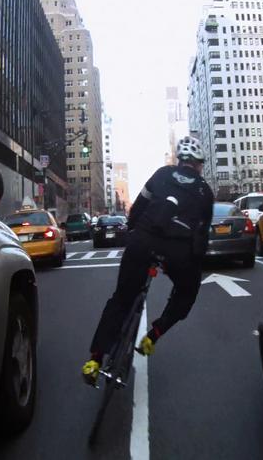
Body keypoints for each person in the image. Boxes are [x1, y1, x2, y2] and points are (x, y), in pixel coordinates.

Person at [82, 136, 214, 385]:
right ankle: (154, 335)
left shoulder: (161, 174)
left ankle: (95, 359)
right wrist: (194, 263)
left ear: (179, 160)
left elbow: (138, 208)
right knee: (187, 292)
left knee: (121, 298)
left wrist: (133, 231)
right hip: (178, 251)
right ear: (198, 164)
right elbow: (202, 234)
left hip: (143, 241)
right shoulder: (205, 191)